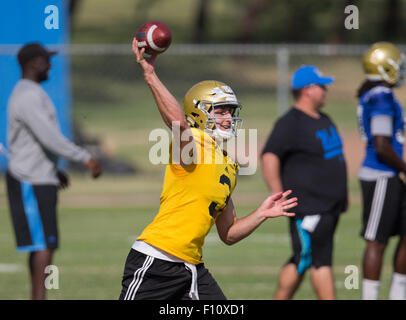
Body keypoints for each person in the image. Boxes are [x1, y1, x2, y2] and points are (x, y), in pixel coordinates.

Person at [118, 38, 298, 300]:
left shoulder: (227, 163)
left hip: (191, 269)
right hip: (156, 261)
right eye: (220, 110)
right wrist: (150, 73)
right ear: (199, 112)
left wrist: (262, 213)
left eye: (230, 111)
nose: (228, 117)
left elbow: (228, 233)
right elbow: (178, 123)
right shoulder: (193, 143)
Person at [6, 42, 102, 300]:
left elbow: (37, 141)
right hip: (30, 179)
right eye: (46, 60)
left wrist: (53, 169)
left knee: (41, 245)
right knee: (44, 245)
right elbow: (49, 137)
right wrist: (85, 158)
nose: (50, 65)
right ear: (33, 63)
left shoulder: (31, 93)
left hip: (38, 176)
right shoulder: (28, 95)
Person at [261, 65, 348, 300]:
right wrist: (277, 193)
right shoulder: (291, 123)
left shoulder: (323, 118)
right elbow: (269, 155)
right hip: (309, 207)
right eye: (322, 86)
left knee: (303, 258)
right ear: (308, 90)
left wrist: (343, 196)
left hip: (329, 207)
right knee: (317, 260)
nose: (326, 90)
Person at [356, 42, 406, 300]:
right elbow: (382, 144)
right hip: (382, 175)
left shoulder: (380, 94)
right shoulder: (381, 97)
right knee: (377, 240)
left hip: (393, 174)